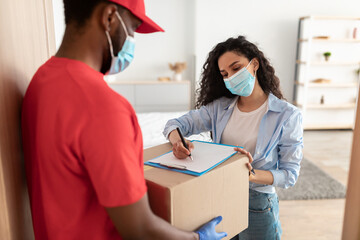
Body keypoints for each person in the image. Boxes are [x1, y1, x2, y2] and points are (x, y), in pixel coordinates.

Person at [21, 0, 228, 239]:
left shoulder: (41, 80)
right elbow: (140, 229)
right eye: (131, 29)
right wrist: (198, 238)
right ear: (109, 17)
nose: (131, 40)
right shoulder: (103, 107)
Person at [163, 35, 304, 239]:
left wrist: (250, 174)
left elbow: (289, 174)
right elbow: (174, 125)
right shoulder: (219, 108)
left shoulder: (287, 115)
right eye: (225, 73)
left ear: (254, 64)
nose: (230, 77)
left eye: (236, 68)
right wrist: (178, 142)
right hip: (221, 195)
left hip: (257, 202)